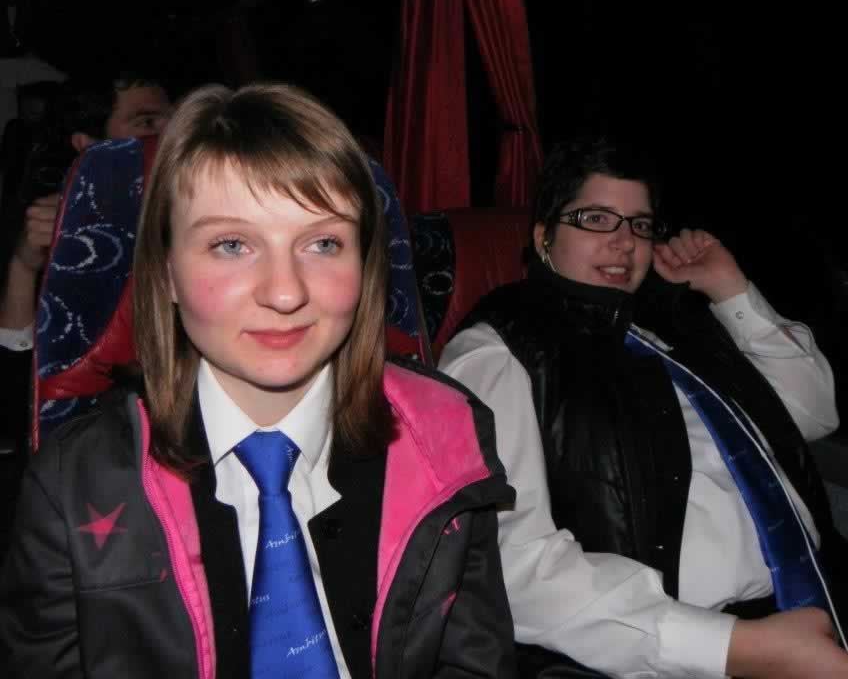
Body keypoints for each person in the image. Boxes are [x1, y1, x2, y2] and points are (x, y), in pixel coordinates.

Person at [0, 83, 516, 678]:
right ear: (166, 274)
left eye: (323, 243)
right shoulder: (73, 485)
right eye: (232, 244)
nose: (285, 292)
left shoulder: (448, 439)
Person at [439, 136, 848, 678]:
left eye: (640, 224)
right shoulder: (498, 352)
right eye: (596, 219)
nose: (624, 242)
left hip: (831, 591)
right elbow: (515, 566)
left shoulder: (674, 326)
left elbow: (814, 410)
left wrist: (729, 289)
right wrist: (743, 648)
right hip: (691, 645)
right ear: (544, 236)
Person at [0, 72, 172, 560]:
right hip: (94, 472)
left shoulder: (209, 218)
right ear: (89, 146)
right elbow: (19, 395)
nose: (167, 135)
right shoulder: (45, 224)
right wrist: (24, 268)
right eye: (146, 123)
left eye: (172, 118)